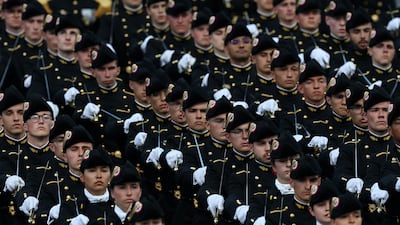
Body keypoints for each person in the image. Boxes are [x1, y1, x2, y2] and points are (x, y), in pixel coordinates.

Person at [56, 148, 117, 225]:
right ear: (82, 177)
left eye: (104, 171)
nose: (99, 176)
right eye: (92, 171)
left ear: (111, 176)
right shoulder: (70, 205)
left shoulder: (119, 202)